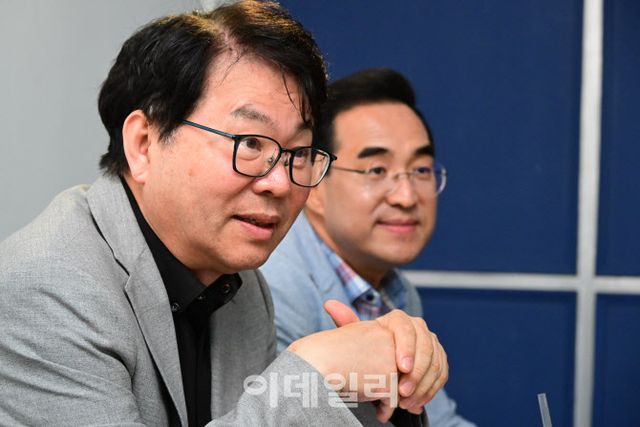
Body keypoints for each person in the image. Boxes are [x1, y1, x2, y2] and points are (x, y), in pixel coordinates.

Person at [0, 4, 447, 426]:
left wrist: (389, 383)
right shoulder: (46, 287)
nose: (281, 183)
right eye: (250, 143)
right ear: (143, 144)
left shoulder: (241, 284)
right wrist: (311, 374)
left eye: (299, 152)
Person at [261, 68, 475, 426]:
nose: (406, 197)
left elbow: (437, 420)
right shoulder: (273, 289)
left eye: (421, 170)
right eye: (376, 170)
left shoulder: (395, 291)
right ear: (314, 180)